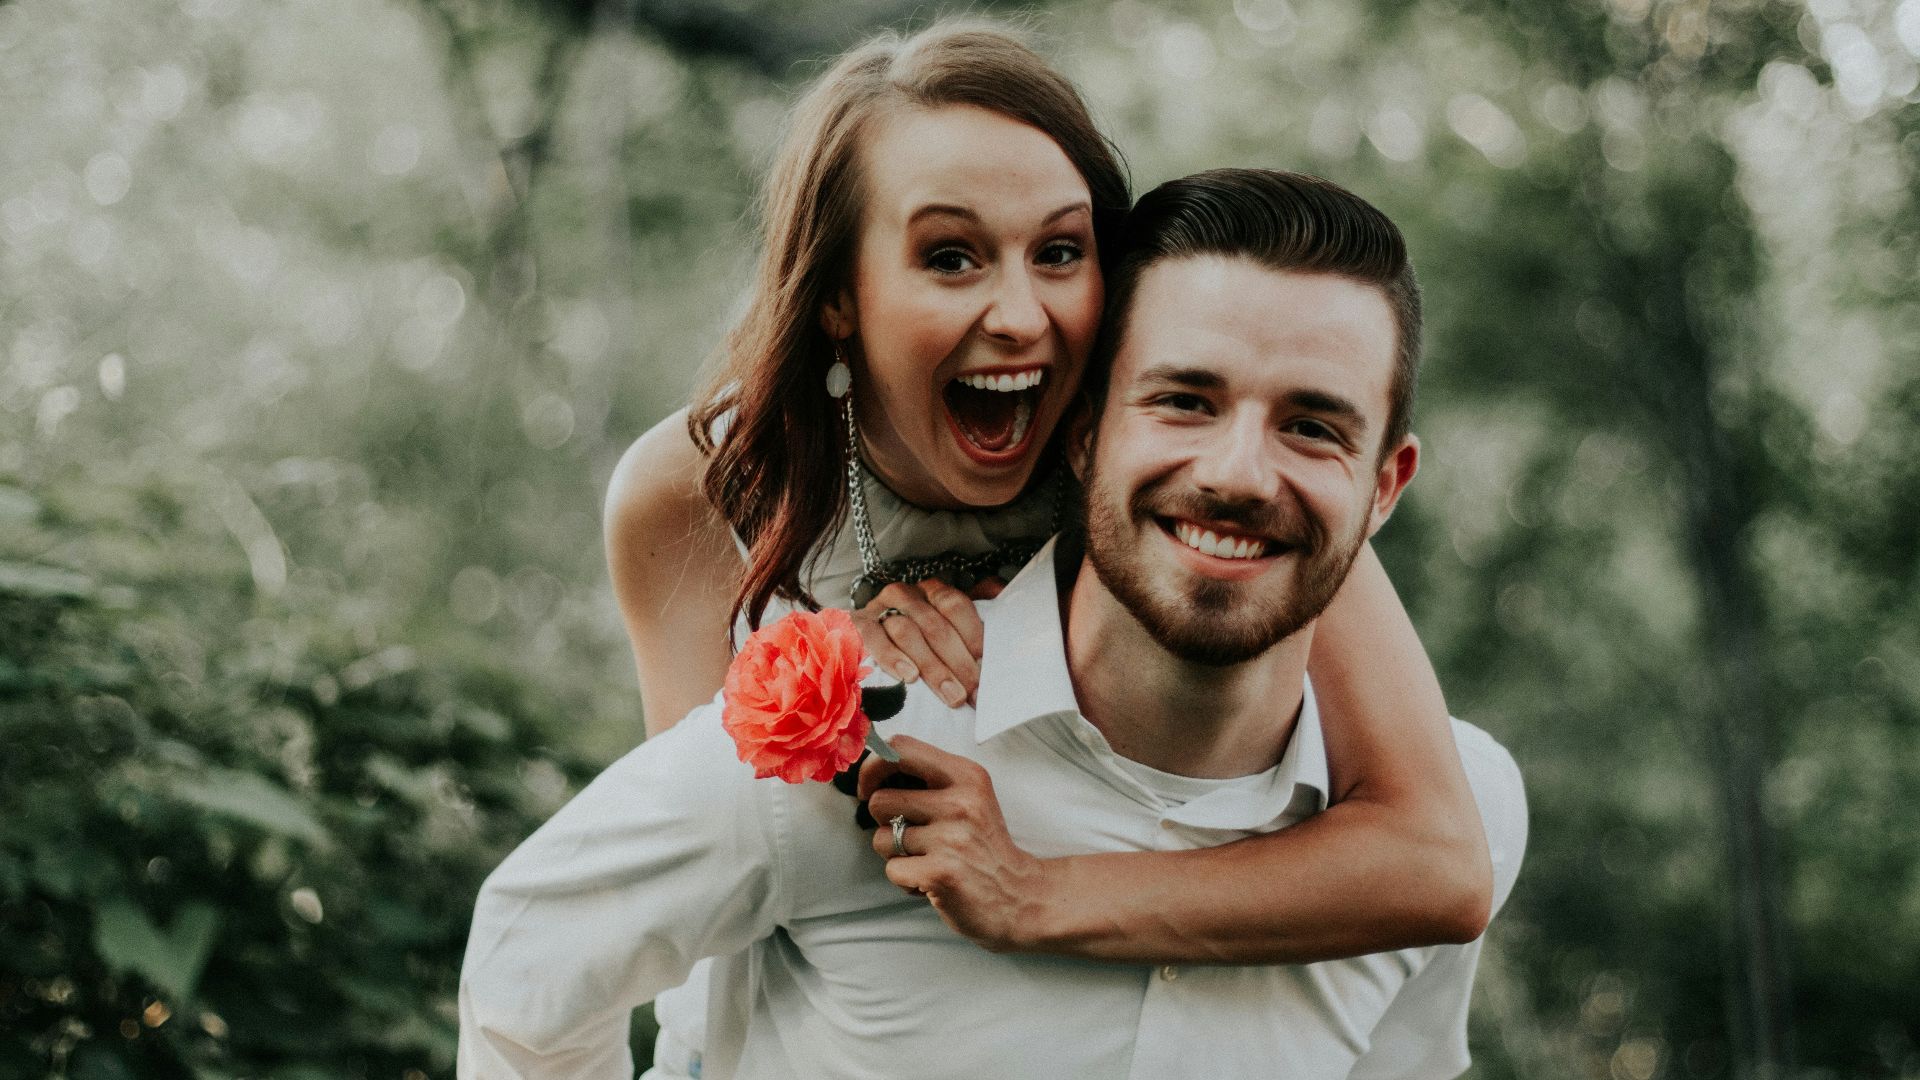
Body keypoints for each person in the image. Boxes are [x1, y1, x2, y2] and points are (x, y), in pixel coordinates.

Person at [461, 169, 1528, 1079]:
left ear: (1386, 486)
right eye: (1183, 402)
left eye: (1311, 426)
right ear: (1081, 434)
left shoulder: (1461, 808)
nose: (1239, 474)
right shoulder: (852, 749)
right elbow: (528, 970)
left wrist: (1040, 894)